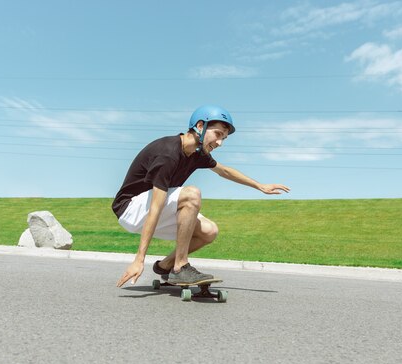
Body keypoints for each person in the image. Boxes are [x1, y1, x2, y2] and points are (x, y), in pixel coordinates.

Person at [113, 105, 290, 288]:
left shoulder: (198, 154)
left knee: (209, 231)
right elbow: (156, 207)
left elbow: (224, 171)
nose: (220, 143)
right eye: (218, 134)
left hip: (151, 208)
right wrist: (139, 259)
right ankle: (180, 267)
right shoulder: (168, 153)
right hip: (131, 209)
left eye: (224, 138)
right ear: (200, 126)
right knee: (191, 194)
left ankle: (165, 266)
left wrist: (260, 186)